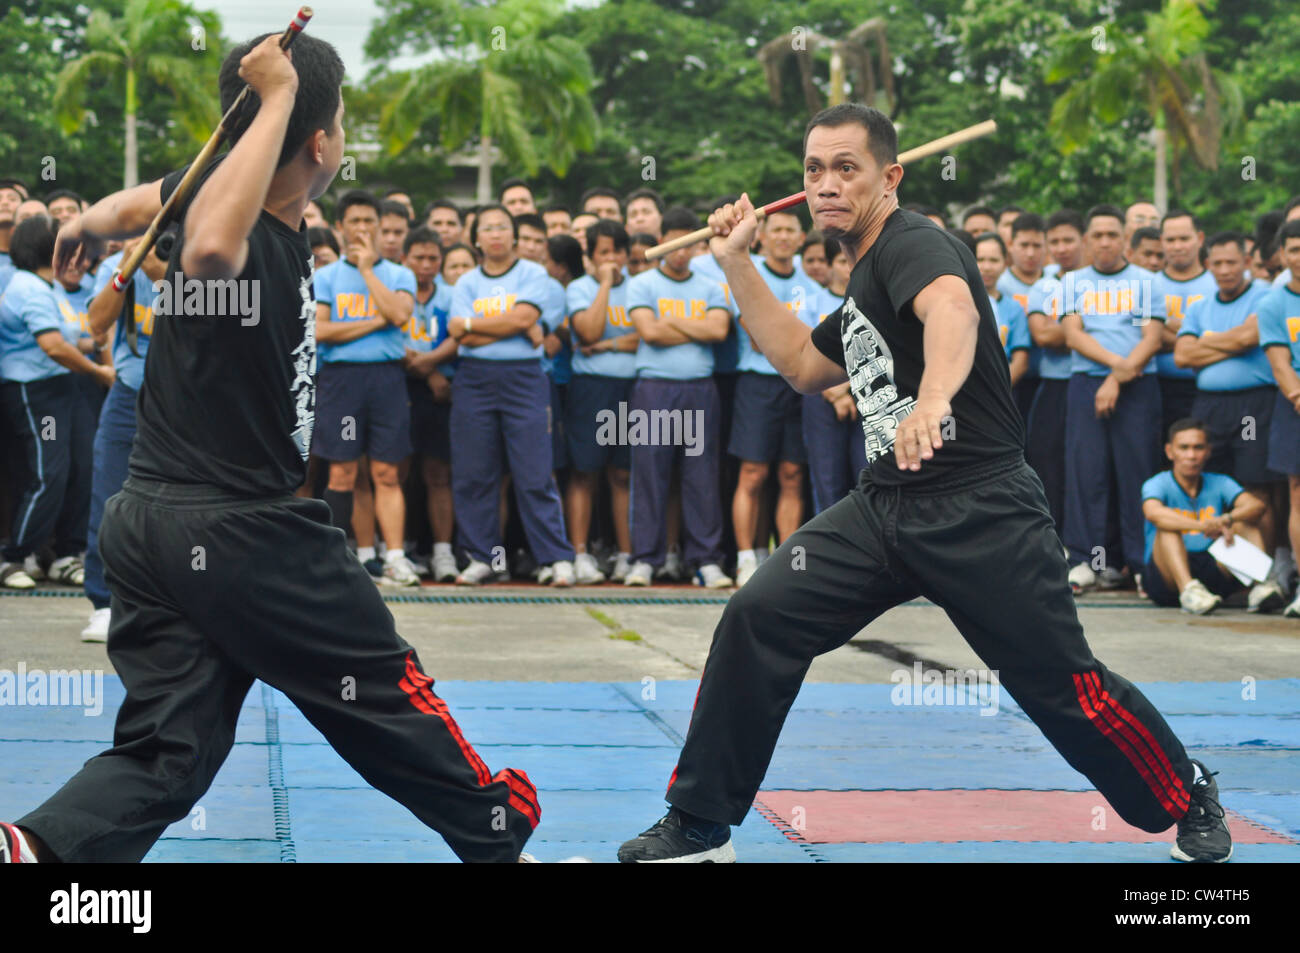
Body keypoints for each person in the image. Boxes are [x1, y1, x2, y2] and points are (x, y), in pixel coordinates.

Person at [617, 104, 1230, 865]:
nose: (827, 184)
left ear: (890, 176)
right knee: (757, 615)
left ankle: (1186, 788)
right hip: (884, 508)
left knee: (1060, 687)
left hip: (983, 509)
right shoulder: (864, 278)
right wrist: (735, 262)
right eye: (814, 170)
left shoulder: (914, 244)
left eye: (847, 168)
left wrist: (936, 399)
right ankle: (701, 823)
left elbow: (953, 309)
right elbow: (804, 367)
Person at [0, 31, 540, 865]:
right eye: (339, 120)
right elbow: (211, 244)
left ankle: (35, 851)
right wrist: (281, 96)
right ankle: (501, 833)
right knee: (388, 693)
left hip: (146, 525)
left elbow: (134, 206)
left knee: (167, 752)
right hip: (244, 531)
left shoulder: (224, 206)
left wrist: (93, 219)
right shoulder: (240, 246)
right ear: (320, 143)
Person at [446, 203, 575, 586]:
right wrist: (500, 326)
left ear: (515, 235)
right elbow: (457, 333)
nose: (496, 234)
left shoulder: (533, 273)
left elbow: (524, 319)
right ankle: (483, 558)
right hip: (474, 379)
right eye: (488, 228)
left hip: (523, 378)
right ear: (476, 239)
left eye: (503, 227)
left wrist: (474, 323)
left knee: (534, 471)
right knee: (475, 473)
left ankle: (555, 558)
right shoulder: (467, 281)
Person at [312, 189, 422, 587]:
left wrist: (367, 271)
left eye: (368, 222)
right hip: (341, 381)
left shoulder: (398, 273)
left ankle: (394, 556)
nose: (362, 228)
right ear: (339, 227)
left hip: (386, 378)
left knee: (386, 472)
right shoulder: (324, 276)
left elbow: (399, 313)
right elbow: (321, 331)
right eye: (354, 221)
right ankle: (343, 557)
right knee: (342, 471)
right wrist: (377, 323)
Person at [1173, 230, 1286, 612]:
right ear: (1207, 265)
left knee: (1256, 490)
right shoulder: (1199, 306)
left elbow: (1250, 338)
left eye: (1231, 262)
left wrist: (1211, 342)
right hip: (1208, 407)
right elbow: (1183, 356)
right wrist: (1232, 340)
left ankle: (1262, 580)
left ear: (1247, 262)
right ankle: (1222, 576)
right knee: (1211, 486)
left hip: (1255, 405)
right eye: (1216, 263)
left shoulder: (1265, 296)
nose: (1224, 270)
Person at [0, 216, 113, 590]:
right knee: (50, 473)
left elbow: (69, 340)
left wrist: (99, 345)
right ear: (50, 249)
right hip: (35, 392)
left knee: (82, 466)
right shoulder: (28, 288)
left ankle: (68, 554)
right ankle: (14, 557)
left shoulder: (48, 288)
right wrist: (100, 373)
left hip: (63, 389)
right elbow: (52, 347)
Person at [623, 207, 732, 588]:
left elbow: (718, 330)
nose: (682, 251)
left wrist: (670, 323)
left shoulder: (709, 287)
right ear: (663, 241)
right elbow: (649, 333)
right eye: (676, 241)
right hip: (654, 387)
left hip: (700, 388)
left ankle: (705, 560)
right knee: (650, 475)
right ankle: (644, 560)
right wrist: (692, 327)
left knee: (701, 476)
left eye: (691, 243)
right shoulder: (641, 284)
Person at [1061, 205, 1166, 594]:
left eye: (1112, 234)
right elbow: (1074, 335)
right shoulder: (1073, 282)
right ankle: (1087, 560)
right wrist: (1115, 370)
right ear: (1088, 241)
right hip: (1087, 383)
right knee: (1087, 474)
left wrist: (1118, 379)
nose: (1105, 241)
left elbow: (1152, 338)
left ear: (1125, 239)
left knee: (1136, 473)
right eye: (1098, 235)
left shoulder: (1145, 282)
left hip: (1137, 387)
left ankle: (1141, 564)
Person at [77, 237, 167, 641]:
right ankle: (105, 603)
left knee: (182, 502)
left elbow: (206, 322)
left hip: (187, 397)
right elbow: (96, 326)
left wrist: (163, 275)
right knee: (109, 493)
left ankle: (177, 604)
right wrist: (125, 271)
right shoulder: (118, 261)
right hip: (129, 391)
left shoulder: (206, 256)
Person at [727, 208, 816, 587]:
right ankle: (745, 557)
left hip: (799, 385)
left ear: (800, 238)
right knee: (753, 472)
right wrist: (788, 337)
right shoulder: (750, 275)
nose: (782, 236)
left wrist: (785, 337)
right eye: (775, 229)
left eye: (789, 230)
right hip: (757, 383)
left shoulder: (811, 283)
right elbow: (758, 337)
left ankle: (786, 559)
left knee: (792, 474)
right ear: (761, 237)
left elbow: (809, 341)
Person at [1141, 419, 1276, 614]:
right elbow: (1153, 513)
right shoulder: (1157, 483)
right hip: (1167, 577)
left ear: (1208, 451)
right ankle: (1189, 591)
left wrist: (1226, 520)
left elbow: (1256, 506)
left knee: (1245, 523)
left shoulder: (1220, 482)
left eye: (1198, 448)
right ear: (1170, 451)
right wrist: (1203, 525)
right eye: (1184, 448)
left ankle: (1262, 586)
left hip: (1212, 568)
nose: (1191, 455)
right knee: (1166, 528)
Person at [566, 220, 638, 583]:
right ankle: (579, 554)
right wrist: (606, 285)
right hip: (590, 387)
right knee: (584, 472)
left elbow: (648, 336)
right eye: (603, 253)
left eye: (617, 252)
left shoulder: (642, 287)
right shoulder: (580, 288)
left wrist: (610, 344)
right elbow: (588, 330)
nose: (612, 258)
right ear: (591, 257)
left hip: (631, 386)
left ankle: (626, 554)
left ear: (627, 254)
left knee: (623, 473)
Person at [400, 226, 459, 583]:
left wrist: (433, 364)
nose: (425, 265)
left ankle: (443, 552)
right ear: (405, 259)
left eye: (433, 258)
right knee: (399, 473)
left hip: (442, 392)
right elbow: (389, 330)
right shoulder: (395, 288)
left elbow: (460, 334)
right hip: (402, 386)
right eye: (418, 258)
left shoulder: (453, 294)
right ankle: (402, 548)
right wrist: (425, 370)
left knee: (439, 474)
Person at [1024, 209, 1086, 534]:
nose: (1062, 248)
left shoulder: (1103, 283)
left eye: (1069, 240)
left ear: (1083, 241)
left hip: (1093, 384)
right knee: (1046, 465)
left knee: (1087, 469)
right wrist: (1092, 329)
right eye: (1055, 242)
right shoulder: (1044, 287)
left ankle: (1092, 550)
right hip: (1053, 387)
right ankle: (1053, 541)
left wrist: (1071, 333)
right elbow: (1043, 336)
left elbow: (1054, 331)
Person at [800, 237, 865, 513]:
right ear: (828, 265)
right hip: (821, 398)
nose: (848, 266)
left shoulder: (872, 299)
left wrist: (847, 390)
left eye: (852, 258)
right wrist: (834, 393)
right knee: (827, 479)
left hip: (867, 394)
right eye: (840, 260)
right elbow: (804, 353)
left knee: (867, 474)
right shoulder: (811, 302)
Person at [1259, 219, 1300, 617]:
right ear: (1283, 256)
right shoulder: (1273, 304)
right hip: (1293, 408)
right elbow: (1279, 362)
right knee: (1297, 496)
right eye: (1294, 250)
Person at [1154, 211, 1216, 444]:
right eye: (1170, 240)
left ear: (1199, 238)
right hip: (1159, 388)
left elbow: (1227, 336)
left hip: (1205, 389)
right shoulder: (1149, 284)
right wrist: (1193, 338)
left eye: (1184, 238)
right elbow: (1147, 336)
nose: (1177, 246)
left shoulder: (1216, 284)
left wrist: (1166, 327)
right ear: (1162, 242)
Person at [976, 232, 1030, 387]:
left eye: (994, 260)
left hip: (1002, 389)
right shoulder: (959, 303)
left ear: (1005, 263)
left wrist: (998, 390)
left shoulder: (1014, 308)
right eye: (980, 260)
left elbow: (1021, 360)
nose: (986, 267)